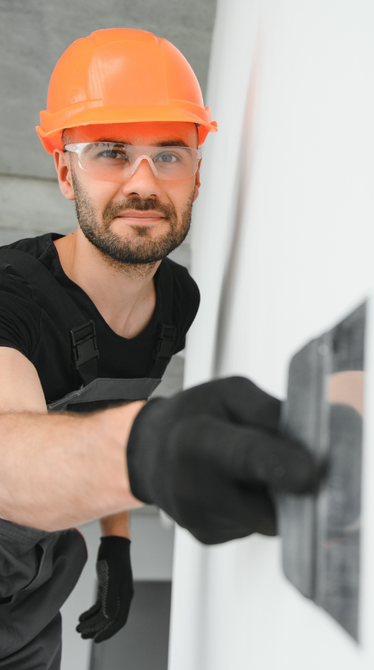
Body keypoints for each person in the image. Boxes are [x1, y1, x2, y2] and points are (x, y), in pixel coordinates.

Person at [0, 28, 317, 669]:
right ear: (66, 171)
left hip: (33, 606)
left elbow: (103, 411)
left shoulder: (177, 301)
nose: (143, 184)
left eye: (169, 155)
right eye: (111, 153)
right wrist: (148, 451)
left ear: (197, 174)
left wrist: (115, 541)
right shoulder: (14, 300)